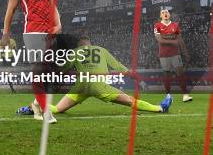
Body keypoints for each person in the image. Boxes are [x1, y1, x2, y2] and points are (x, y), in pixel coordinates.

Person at [19, 36, 172, 114]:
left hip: (82, 85)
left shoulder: (75, 52)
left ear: (80, 45)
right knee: (131, 101)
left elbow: (61, 69)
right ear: (90, 43)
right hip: (98, 85)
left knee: (58, 109)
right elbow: (119, 66)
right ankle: (160, 108)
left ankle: (33, 108)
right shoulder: (101, 50)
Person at [0, 0, 61, 123]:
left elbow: (52, 6)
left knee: (49, 73)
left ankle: (35, 104)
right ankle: (46, 111)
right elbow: (10, 9)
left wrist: (58, 23)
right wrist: (6, 33)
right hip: (32, 30)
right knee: (38, 69)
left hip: (48, 32)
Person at [154, 9, 192, 102]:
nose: (165, 14)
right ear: (160, 16)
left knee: (180, 73)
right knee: (167, 75)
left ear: (169, 14)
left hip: (175, 53)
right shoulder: (157, 25)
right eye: (163, 13)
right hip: (163, 55)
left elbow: (180, 40)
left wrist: (185, 52)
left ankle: (185, 95)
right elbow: (160, 40)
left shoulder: (175, 25)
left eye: (167, 12)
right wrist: (173, 41)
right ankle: (168, 96)